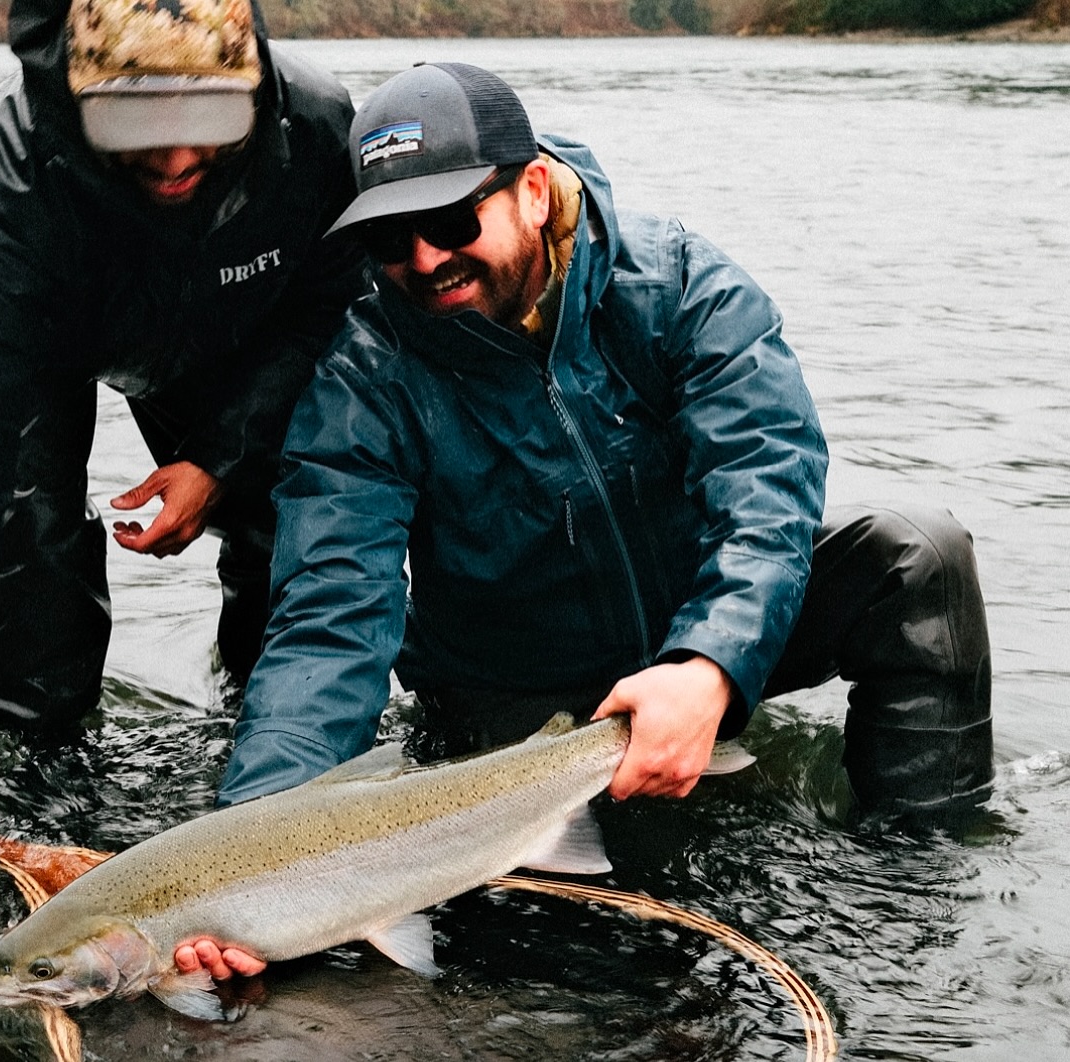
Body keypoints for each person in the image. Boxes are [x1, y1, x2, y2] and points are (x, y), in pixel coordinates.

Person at [215, 61, 994, 822]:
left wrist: (709, 664)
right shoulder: (361, 383)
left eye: (453, 220)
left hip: (696, 618)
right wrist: (243, 845)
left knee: (917, 555)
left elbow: (765, 485)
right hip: (511, 695)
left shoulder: (680, 288)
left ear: (531, 189)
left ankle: (921, 866)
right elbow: (328, 622)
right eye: (388, 236)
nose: (424, 258)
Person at [0, 0, 367, 854]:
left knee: (283, 513)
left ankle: (274, 746)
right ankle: (39, 777)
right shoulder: (4, 168)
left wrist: (214, 457)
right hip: (43, 333)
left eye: (207, 123)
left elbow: (324, 317)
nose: (174, 161)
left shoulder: (316, 127)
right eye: (137, 125)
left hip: (234, 324)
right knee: (31, 556)